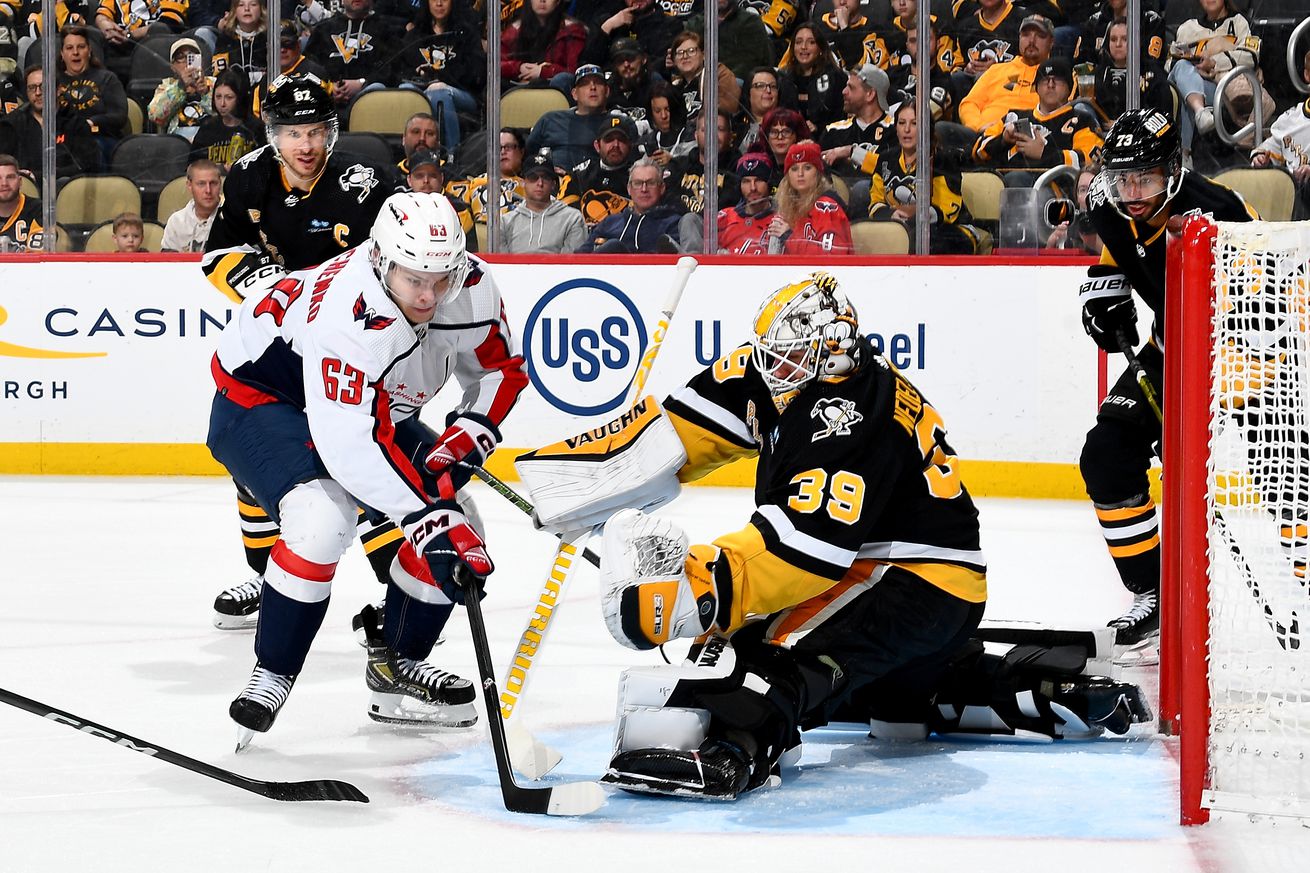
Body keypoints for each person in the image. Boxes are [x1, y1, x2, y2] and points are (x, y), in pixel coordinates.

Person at [590, 272, 1148, 799]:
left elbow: (804, 549)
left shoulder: (847, 408)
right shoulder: (842, 385)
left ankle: (733, 745)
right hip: (934, 593)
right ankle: (1016, 683)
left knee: (759, 648)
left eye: (790, 359)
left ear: (830, 349)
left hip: (905, 578)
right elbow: (703, 431)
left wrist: (705, 587)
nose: (776, 372)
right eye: (773, 358)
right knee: (883, 697)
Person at [208, 190, 528, 746]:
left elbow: (500, 368)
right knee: (322, 517)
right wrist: (425, 518)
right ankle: (273, 671)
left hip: (368, 406)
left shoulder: (469, 284)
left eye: (441, 279)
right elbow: (348, 452)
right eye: (413, 280)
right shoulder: (346, 318)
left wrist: (473, 430)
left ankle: (397, 666)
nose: (429, 296)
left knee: (463, 520)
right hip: (262, 397)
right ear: (380, 261)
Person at [202, 72, 399, 631]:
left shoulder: (366, 187)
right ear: (272, 133)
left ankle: (397, 591)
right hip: (277, 350)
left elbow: (399, 267)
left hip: (353, 347)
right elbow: (219, 251)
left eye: (315, 131)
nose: (305, 146)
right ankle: (268, 580)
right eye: (292, 133)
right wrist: (270, 289)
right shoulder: (248, 176)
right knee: (253, 466)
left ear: (331, 132)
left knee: (360, 463)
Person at [1077, 108, 1257, 654]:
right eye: (1123, 178)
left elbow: (1270, 301)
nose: (1133, 193)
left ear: (1173, 170)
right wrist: (1101, 297)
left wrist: (1207, 395)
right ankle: (1152, 592)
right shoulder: (1108, 206)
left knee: (1284, 477)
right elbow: (1116, 259)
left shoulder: (1222, 211)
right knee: (1106, 454)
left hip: (1252, 348)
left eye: (1146, 179)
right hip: (1170, 344)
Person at [867, 101, 986, 255]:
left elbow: (946, 210)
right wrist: (891, 215)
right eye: (902, 123)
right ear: (895, 128)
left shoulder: (942, 160)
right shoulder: (885, 160)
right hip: (901, 229)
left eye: (914, 123)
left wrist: (910, 217)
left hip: (950, 230)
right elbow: (875, 202)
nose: (907, 129)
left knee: (922, 240)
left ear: (926, 129)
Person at [972, 58, 1104, 188]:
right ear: (1036, 87)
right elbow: (977, 152)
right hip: (1002, 186)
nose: (1050, 85)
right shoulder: (1013, 116)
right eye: (1045, 80)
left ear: (1069, 87)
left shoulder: (1081, 120)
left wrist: (1043, 153)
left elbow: (1092, 161)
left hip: (1055, 193)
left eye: (1057, 80)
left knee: (1017, 179)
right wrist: (1003, 140)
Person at [1167, 0, 1263, 158]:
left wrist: (1214, 63)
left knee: (1188, 98)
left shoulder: (1239, 22)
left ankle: (1184, 155)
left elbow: (1250, 56)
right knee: (1182, 67)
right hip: (1186, 80)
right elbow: (1170, 64)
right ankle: (1200, 112)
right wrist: (1192, 63)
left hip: (1217, 88)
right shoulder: (1186, 28)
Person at [392, 0, 485, 152]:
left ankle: (450, 154)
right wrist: (420, 74)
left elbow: (475, 73)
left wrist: (440, 77)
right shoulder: (415, 35)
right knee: (405, 89)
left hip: (461, 93)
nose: (439, 3)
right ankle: (409, 154)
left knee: (439, 92)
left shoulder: (466, 34)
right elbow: (401, 70)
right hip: (422, 90)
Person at [0, 65, 100, 181]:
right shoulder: (11, 124)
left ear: (58, 90)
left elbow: (87, 166)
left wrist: (38, 176)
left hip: (64, 187)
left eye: (44, 87)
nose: (38, 93)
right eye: (32, 88)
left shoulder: (75, 123)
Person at [958, 13, 1055, 133]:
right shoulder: (996, 70)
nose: (1031, 41)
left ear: (1051, 42)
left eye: (1040, 36)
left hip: (1025, 136)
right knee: (942, 129)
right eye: (1026, 35)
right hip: (982, 134)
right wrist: (978, 127)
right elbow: (969, 103)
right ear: (1019, 38)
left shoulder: (1056, 76)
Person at [819, 64, 894, 218]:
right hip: (834, 213)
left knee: (862, 189)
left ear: (870, 94)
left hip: (880, 210)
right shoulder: (833, 131)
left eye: (851, 88)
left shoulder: (894, 130)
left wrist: (851, 152)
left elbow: (891, 170)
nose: (843, 92)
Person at [304, 0, 397, 115]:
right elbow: (308, 65)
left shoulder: (386, 30)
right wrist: (329, 87)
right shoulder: (323, 29)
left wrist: (363, 83)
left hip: (369, 99)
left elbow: (392, 69)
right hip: (326, 100)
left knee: (377, 88)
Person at [576, 156, 681, 253]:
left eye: (651, 183)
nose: (644, 189)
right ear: (629, 189)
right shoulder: (609, 222)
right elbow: (580, 258)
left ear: (662, 188)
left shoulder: (674, 224)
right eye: (638, 183)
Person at [765, 139, 852, 256]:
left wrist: (789, 237)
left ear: (818, 173)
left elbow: (831, 255)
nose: (800, 174)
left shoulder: (827, 207)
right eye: (794, 169)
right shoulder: (788, 208)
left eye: (807, 168)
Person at [1251, 50, 1310, 219]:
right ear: (1307, 75)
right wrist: (1261, 157)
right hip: (1290, 202)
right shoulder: (1290, 119)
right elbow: (1269, 147)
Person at [56, 24, 126, 166]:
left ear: (89, 50)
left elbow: (119, 116)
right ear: (62, 54)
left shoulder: (107, 78)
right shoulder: (53, 82)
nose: (75, 52)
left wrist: (92, 123)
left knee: (90, 148)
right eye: (69, 48)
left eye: (81, 47)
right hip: (63, 142)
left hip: (100, 139)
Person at [526, 64, 617, 172]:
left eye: (598, 83)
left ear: (607, 91)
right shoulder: (550, 120)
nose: (592, 87)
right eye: (585, 84)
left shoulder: (618, 124)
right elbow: (528, 156)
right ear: (574, 94)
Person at [558, 110, 639, 229]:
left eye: (621, 140)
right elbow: (562, 210)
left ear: (630, 145)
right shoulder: (581, 173)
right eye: (609, 139)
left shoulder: (640, 176)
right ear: (597, 145)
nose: (615, 145)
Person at [501, 146, 587, 253]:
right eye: (533, 177)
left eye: (545, 178)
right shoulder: (506, 221)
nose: (540, 183)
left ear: (553, 184)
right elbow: (500, 264)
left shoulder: (572, 218)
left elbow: (571, 264)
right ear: (523, 183)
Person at [499, 0, 588, 93]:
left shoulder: (573, 30)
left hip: (556, 88)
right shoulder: (514, 31)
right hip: (518, 85)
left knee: (563, 79)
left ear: (557, 2)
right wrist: (519, 67)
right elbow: (497, 64)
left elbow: (575, 71)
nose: (542, 1)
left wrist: (542, 71)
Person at [776, 21, 845, 136]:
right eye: (798, 42)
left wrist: (819, 127)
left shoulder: (836, 77)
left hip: (827, 139)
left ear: (821, 48)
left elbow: (841, 117)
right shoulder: (783, 77)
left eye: (811, 42)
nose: (803, 47)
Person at [446, 127, 527, 224]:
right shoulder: (475, 182)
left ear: (521, 151)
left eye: (508, 147)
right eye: (498, 148)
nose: (502, 152)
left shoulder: (532, 184)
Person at [403, 146, 478, 251]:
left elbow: (469, 253)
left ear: (441, 178)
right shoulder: (400, 205)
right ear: (409, 180)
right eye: (419, 176)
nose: (426, 180)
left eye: (432, 175)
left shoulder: (458, 208)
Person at [666, 30, 740, 131]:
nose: (685, 56)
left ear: (704, 54)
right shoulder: (675, 87)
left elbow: (725, 111)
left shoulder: (718, 75)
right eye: (680, 53)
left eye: (691, 51)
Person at [190, 68, 263, 168]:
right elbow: (192, 166)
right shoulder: (207, 129)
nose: (222, 104)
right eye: (218, 97)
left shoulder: (256, 129)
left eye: (229, 97)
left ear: (240, 98)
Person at [686, 0, 774, 83]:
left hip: (739, 84)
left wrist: (724, 81)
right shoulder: (695, 24)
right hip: (700, 83)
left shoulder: (750, 22)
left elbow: (748, 63)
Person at [148, 37, 215, 139]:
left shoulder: (214, 83)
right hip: (177, 145)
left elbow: (227, 115)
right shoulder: (166, 86)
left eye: (191, 56)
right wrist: (180, 88)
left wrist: (205, 93)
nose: (187, 62)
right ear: (173, 67)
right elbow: (155, 116)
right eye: (180, 57)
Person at [715, 152, 776, 254]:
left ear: (769, 183)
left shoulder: (781, 221)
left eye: (759, 180)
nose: (753, 188)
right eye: (746, 181)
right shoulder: (724, 218)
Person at [161, 159, 223, 252]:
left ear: (220, 184)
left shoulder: (233, 219)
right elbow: (167, 263)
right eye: (201, 184)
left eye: (213, 183)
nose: (208, 190)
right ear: (190, 185)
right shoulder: (176, 222)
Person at [814, 0, 886, 70]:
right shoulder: (816, 27)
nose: (842, 2)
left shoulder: (873, 30)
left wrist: (844, 27)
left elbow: (864, 69)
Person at [210, 0, 269, 84]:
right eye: (241, 5)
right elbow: (219, 75)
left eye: (253, 4)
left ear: (261, 9)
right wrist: (255, 77)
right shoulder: (225, 38)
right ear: (234, 11)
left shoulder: (268, 37)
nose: (247, 9)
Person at [0, 152, 42, 251]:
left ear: (20, 181)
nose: (4, 183)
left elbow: (37, 259)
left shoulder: (39, 210)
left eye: (10, 177)